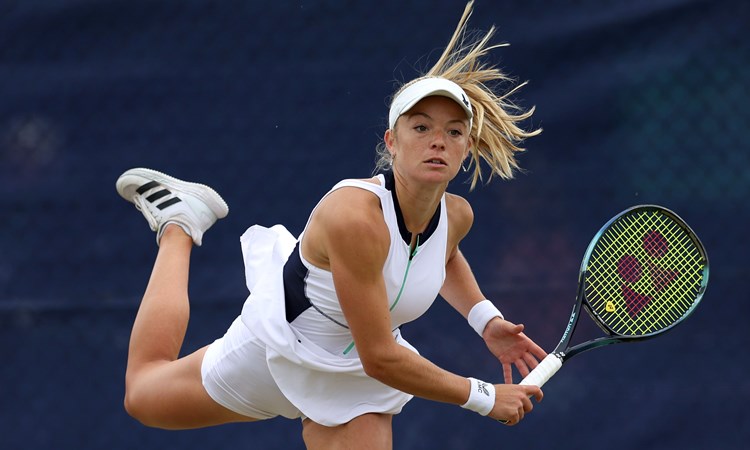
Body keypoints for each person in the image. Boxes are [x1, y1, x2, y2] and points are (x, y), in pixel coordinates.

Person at [118, 2, 546, 448]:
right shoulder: (354, 219)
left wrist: (486, 321)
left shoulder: (457, 215)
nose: (438, 140)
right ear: (391, 143)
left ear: (464, 149)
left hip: (360, 371)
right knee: (143, 394)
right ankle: (180, 225)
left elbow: (444, 252)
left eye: (454, 132)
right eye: (421, 127)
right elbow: (381, 357)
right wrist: (483, 397)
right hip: (281, 349)